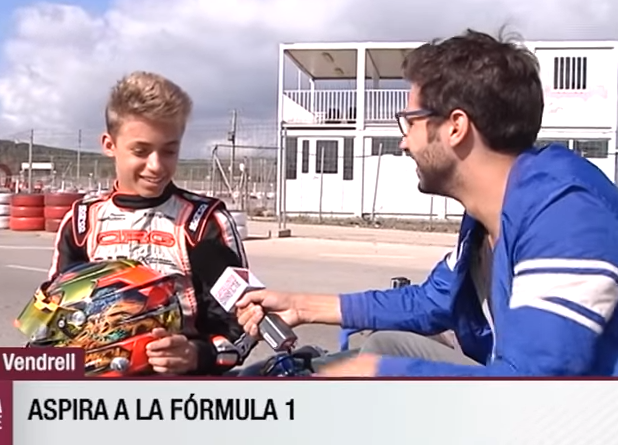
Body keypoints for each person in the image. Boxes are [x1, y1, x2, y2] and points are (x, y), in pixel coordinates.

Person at [236, 29, 618, 377]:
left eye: (411, 122)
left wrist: (378, 374)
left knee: (372, 367)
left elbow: (535, 391)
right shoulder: (485, 218)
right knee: (386, 345)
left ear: (456, 127)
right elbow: (429, 301)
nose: (404, 142)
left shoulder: (565, 214)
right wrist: (301, 306)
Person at [40, 71, 254, 376]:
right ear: (109, 144)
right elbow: (54, 318)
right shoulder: (82, 222)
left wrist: (197, 354)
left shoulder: (205, 223)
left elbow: (245, 326)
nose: (156, 165)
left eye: (169, 151)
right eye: (140, 151)